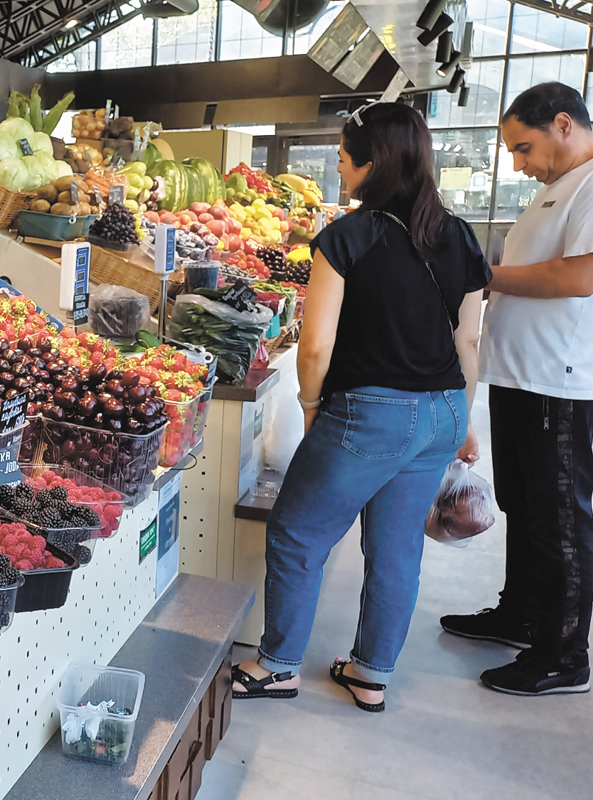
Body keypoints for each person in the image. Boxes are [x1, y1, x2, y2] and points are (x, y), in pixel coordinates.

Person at [231, 102, 489, 712]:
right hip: (442, 409)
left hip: (369, 414)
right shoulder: (460, 236)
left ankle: (277, 665)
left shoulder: (347, 237)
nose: (341, 173)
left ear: (373, 165)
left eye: (345, 161)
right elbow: (468, 340)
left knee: (298, 534)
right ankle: (371, 674)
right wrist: (462, 419)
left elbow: (315, 344)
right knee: (398, 547)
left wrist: (312, 404)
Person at [440, 82, 593, 697]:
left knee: (561, 518)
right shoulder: (554, 190)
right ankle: (522, 615)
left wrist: (481, 272)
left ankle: (564, 653)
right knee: (525, 506)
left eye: (523, 147)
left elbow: (577, 275)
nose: (517, 163)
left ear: (563, 123)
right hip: (521, 376)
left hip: (560, 380)